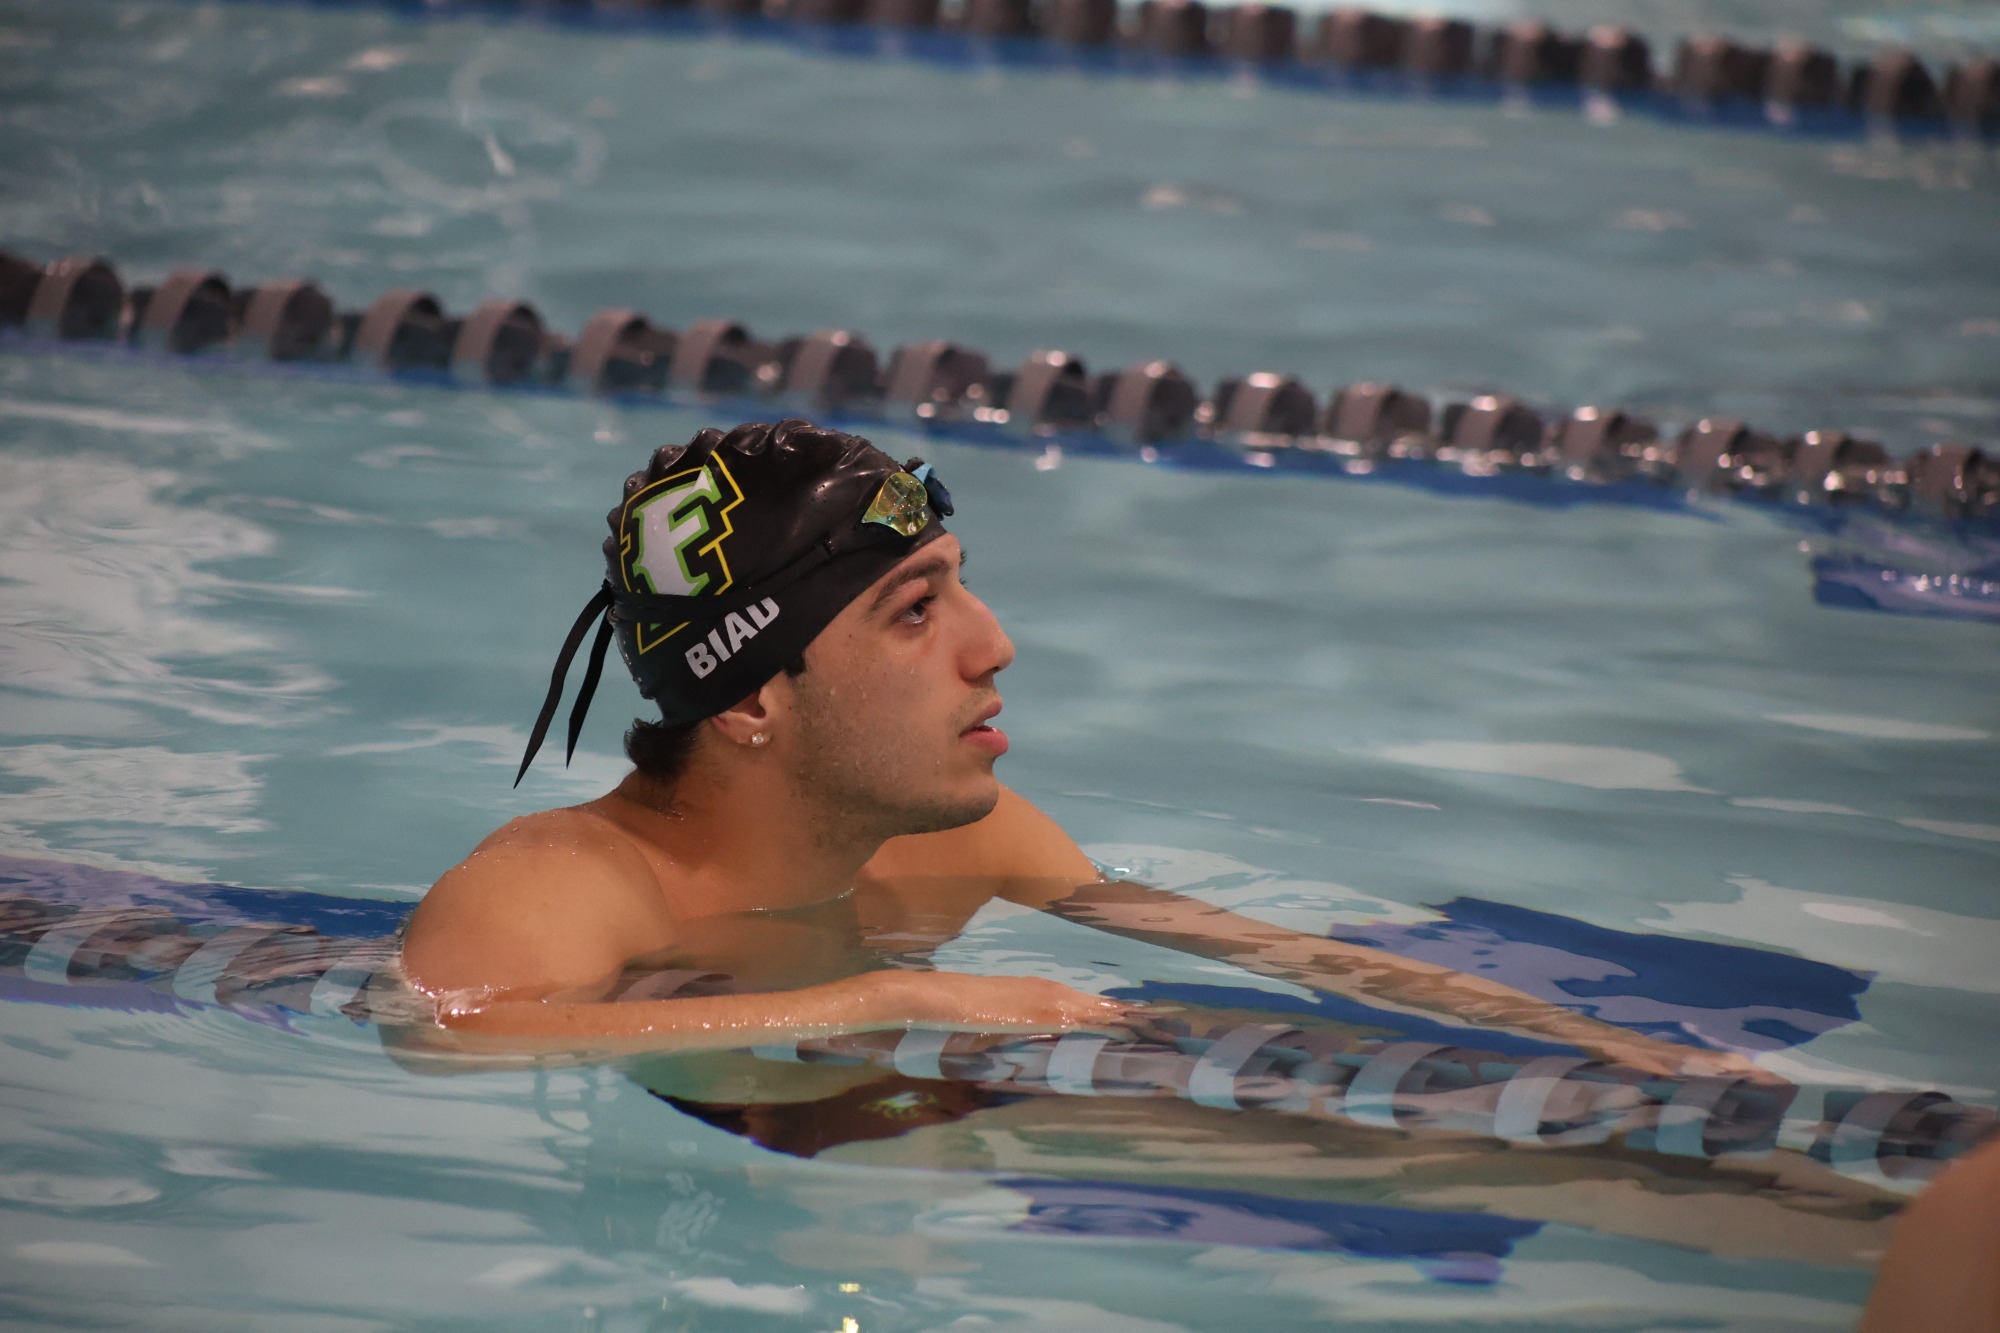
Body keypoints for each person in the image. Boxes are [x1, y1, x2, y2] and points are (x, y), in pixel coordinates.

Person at [399, 419, 1758, 1080]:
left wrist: (1604, 1044)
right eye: (915, 611)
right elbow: (461, 1039)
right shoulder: (559, 883)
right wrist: (888, 1002)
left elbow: (1274, 953)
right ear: (750, 695)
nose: (993, 644)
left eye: (961, 587)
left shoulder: (958, 836)